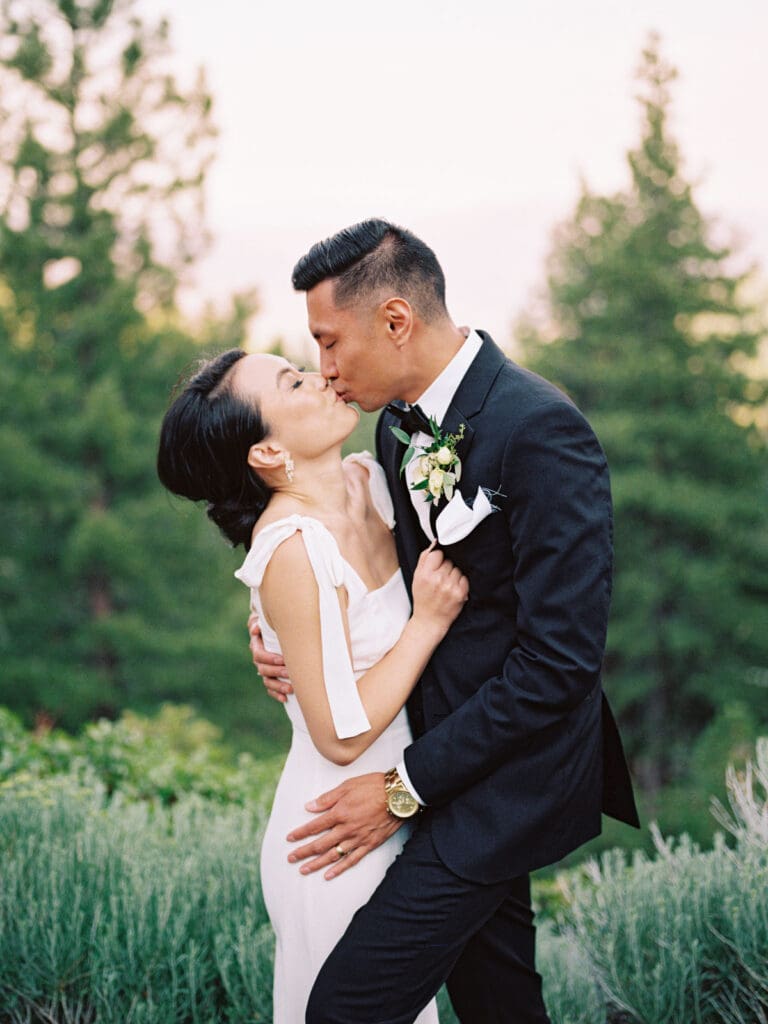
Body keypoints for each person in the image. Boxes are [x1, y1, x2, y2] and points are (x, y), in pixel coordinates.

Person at [250, 218, 640, 1024]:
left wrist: (402, 789)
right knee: (499, 1002)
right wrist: (279, 628)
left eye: (328, 343)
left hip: (503, 784)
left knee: (348, 1008)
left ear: (396, 321)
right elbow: (345, 552)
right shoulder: (398, 426)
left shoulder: (542, 431)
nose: (323, 371)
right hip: (435, 755)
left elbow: (559, 664)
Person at [156, 347, 469, 1023]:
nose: (321, 376)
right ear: (266, 455)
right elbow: (339, 734)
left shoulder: (372, 478)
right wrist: (428, 623)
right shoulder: (293, 548)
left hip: (406, 813)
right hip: (336, 843)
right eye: (293, 382)